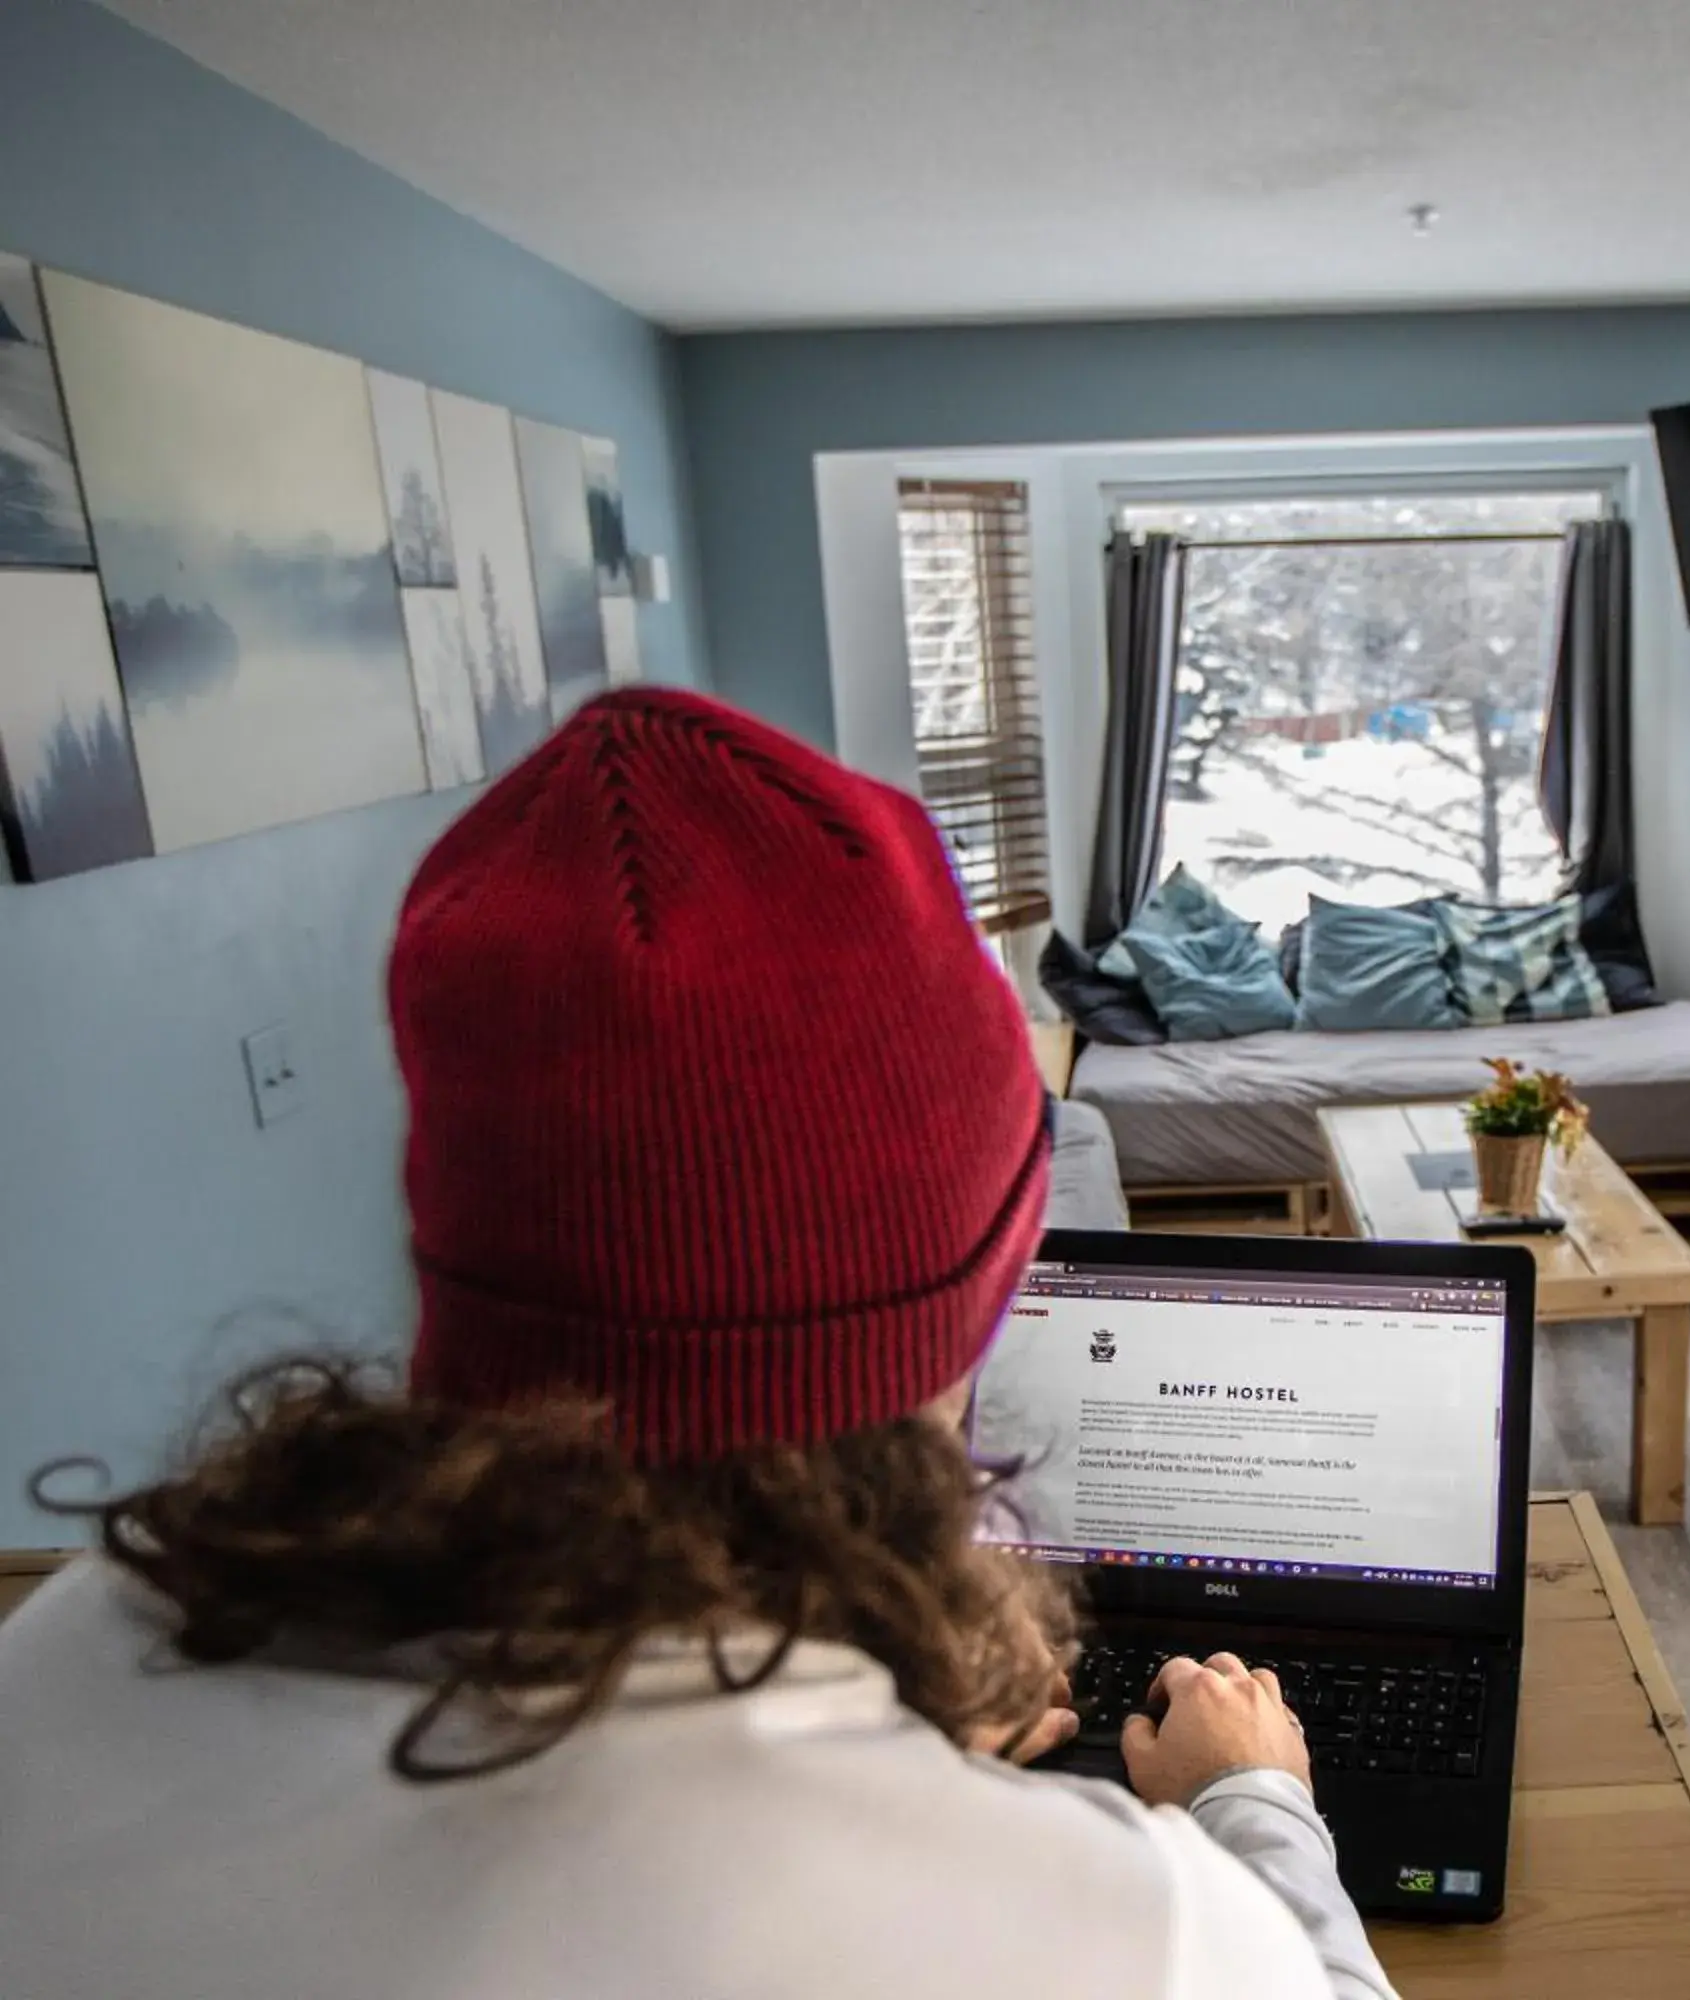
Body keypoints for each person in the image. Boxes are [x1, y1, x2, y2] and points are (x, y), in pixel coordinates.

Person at [0, 687, 1398, 2000]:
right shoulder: (1116, 1931)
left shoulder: (68, 1657)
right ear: (980, 1275)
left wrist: (885, 1750)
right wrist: (1254, 1805)